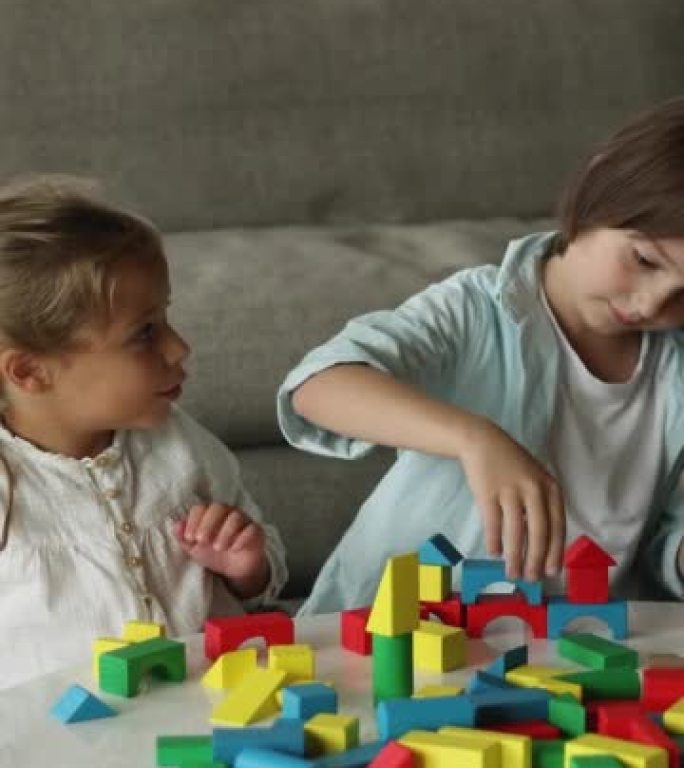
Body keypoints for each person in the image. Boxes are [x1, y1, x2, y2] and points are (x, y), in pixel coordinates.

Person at [278, 96, 684, 615]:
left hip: (569, 651)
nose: (651, 303)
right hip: (403, 633)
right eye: (645, 259)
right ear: (596, 187)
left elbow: (663, 545)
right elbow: (318, 386)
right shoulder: (475, 307)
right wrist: (474, 439)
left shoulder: (673, 368)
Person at [0, 175, 287, 688]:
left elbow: (263, 576)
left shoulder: (180, 445)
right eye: (145, 334)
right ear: (29, 372)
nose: (179, 348)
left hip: (220, 707)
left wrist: (248, 566)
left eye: (166, 320)